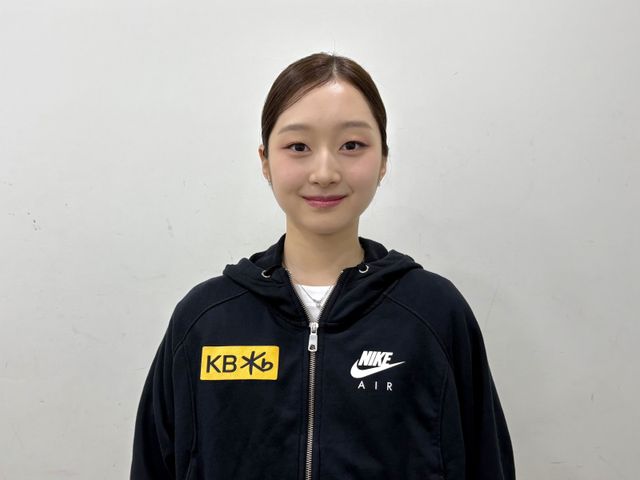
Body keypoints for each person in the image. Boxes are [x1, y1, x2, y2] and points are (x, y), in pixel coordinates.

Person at [131, 52, 515, 480]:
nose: (325, 172)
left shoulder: (434, 313)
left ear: (383, 159)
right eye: (298, 147)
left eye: (352, 145)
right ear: (265, 160)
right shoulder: (205, 320)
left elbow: (487, 462)